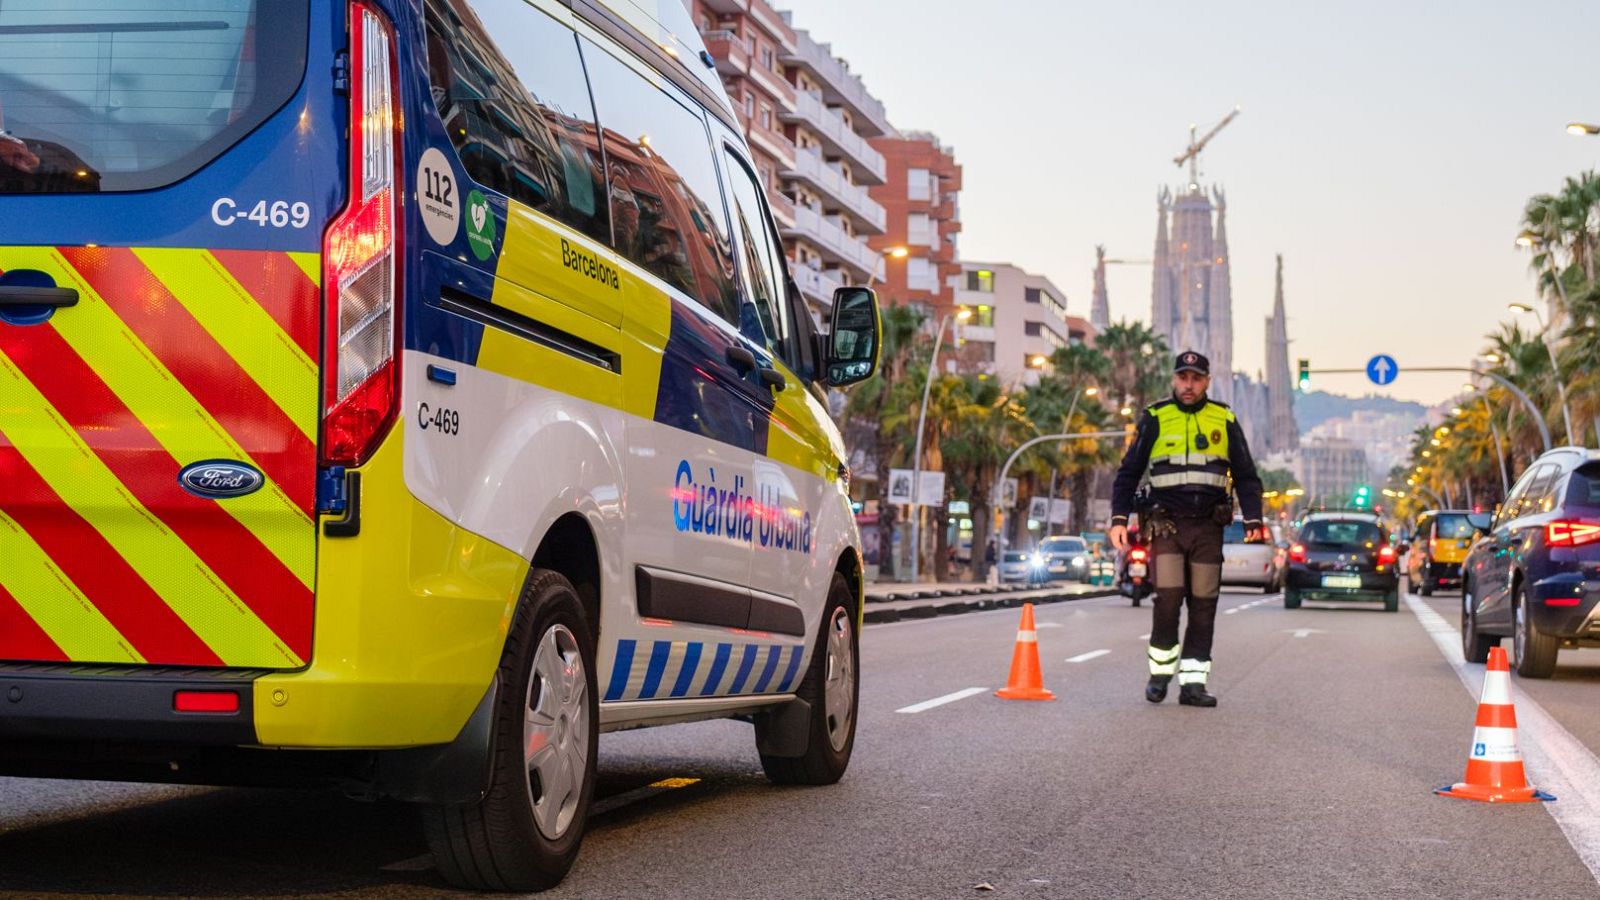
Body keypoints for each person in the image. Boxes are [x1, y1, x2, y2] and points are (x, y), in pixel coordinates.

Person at [1108, 350, 1265, 707]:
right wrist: (1119, 519)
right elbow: (1128, 472)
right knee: (1167, 599)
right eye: (1183, 378)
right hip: (1166, 526)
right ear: (1174, 379)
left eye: (1196, 378)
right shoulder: (1155, 417)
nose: (1189, 385)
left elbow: (1245, 475)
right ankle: (1160, 676)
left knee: (1204, 603)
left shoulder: (1224, 418)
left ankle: (1193, 684)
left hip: (1208, 527)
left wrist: (1253, 518)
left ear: (1207, 381)